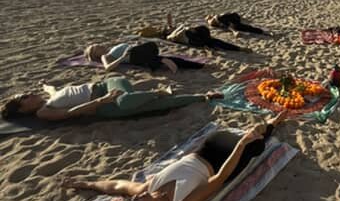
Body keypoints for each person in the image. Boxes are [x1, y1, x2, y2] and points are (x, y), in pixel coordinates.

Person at [61, 112, 288, 201]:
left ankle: (262, 128)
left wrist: (87, 184)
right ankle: (275, 122)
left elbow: (118, 186)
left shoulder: (146, 191)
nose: (137, 197)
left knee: (232, 135)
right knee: (257, 142)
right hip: (223, 162)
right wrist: (242, 145)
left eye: (132, 200)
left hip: (206, 148)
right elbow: (218, 180)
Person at [1, 77, 222, 123]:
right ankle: (203, 96)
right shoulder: (43, 111)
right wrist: (101, 101)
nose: (29, 94)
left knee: (127, 98)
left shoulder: (49, 97)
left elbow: (51, 87)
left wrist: (44, 84)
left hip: (108, 84)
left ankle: (160, 92)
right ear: (23, 109)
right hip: (104, 106)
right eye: (24, 97)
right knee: (132, 103)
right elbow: (71, 113)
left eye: (26, 93)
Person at [84, 41, 202, 74]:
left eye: (97, 44)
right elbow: (108, 68)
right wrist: (123, 57)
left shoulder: (111, 49)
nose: (99, 45)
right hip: (134, 56)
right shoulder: (105, 56)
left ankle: (199, 66)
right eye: (96, 48)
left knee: (174, 59)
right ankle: (159, 61)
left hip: (140, 53)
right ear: (95, 55)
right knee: (154, 49)